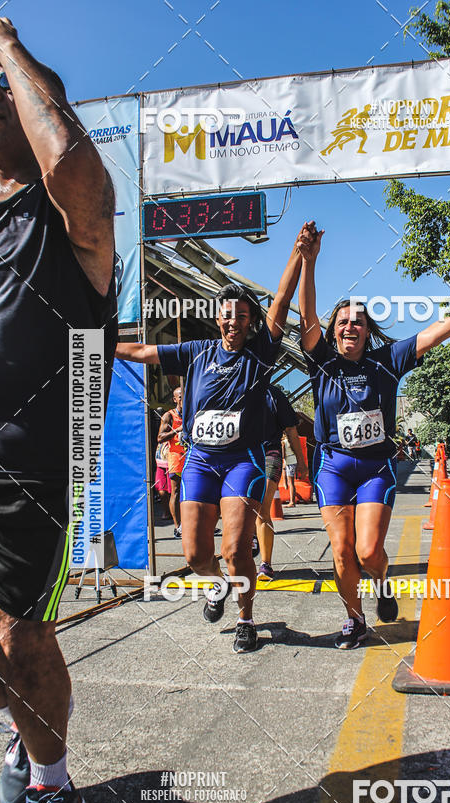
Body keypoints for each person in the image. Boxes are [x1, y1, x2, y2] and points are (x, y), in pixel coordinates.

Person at [0, 20, 117, 803]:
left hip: (35, 469)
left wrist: (5, 40)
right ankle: (19, 733)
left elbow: (75, 166)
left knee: (17, 641)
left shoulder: (68, 218)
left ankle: (55, 790)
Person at [298, 229, 450, 648]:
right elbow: (306, 317)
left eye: (358, 321)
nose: (350, 327)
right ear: (334, 331)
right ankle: (354, 619)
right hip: (334, 468)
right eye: (342, 322)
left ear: (367, 328)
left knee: (368, 552)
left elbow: (437, 332)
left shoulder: (389, 359)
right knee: (342, 551)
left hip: (376, 468)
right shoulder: (321, 361)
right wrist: (308, 260)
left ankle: (381, 580)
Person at [116, 223, 315, 653]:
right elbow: (142, 351)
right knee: (194, 555)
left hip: (242, 463)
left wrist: (298, 254)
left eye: (242, 316)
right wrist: (94, 339)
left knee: (234, 546)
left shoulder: (259, 354)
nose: (233, 323)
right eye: (227, 315)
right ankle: (217, 587)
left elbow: (280, 304)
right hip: (200, 462)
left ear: (249, 321)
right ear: (218, 317)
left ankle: (246, 618)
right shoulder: (197, 352)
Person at [256, 386, 307, 579]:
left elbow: (291, 430)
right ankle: (251, 542)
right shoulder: (234, 388)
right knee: (241, 510)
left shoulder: (274, 394)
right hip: (241, 457)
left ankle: (265, 564)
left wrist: (301, 462)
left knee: (262, 508)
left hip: (270, 453)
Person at [158, 387, 186, 537]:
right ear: (175, 399)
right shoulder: (169, 415)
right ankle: (178, 526)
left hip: (191, 455)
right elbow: (160, 437)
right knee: (175, 491)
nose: (183, 399)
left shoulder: (191, 414)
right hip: (175, 456)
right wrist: (178, 430)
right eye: (180, 397)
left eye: (185, 396)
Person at [281, 431, 305, 507]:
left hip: (289, 461)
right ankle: (292, 500)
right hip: (294, 459)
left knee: (291, 483)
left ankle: (292, 502)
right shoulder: (292, 442)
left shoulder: (283, 442)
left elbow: (283, 455)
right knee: (291, 482)